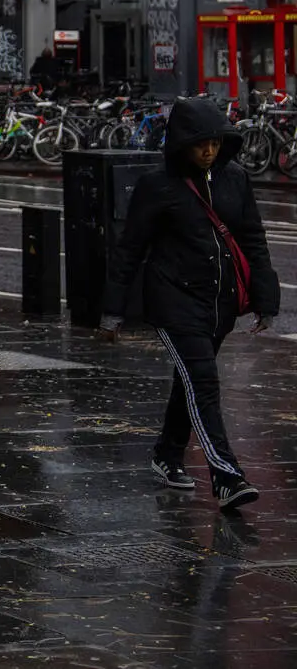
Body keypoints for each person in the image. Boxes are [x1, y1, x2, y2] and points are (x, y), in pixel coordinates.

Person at [104, 98, 279, 512]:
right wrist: (112, 310)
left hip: (218, 303)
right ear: (181, 143)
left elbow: (252, 238)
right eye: (201, 143)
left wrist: (266, 301)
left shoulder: (234, 179)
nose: (209, 151)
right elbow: (129, 249)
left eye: (216, 142)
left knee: (191, 381)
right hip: (173, 299)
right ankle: (226, 475)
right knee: (203, 381)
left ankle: (167, 454)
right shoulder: (157, 185)